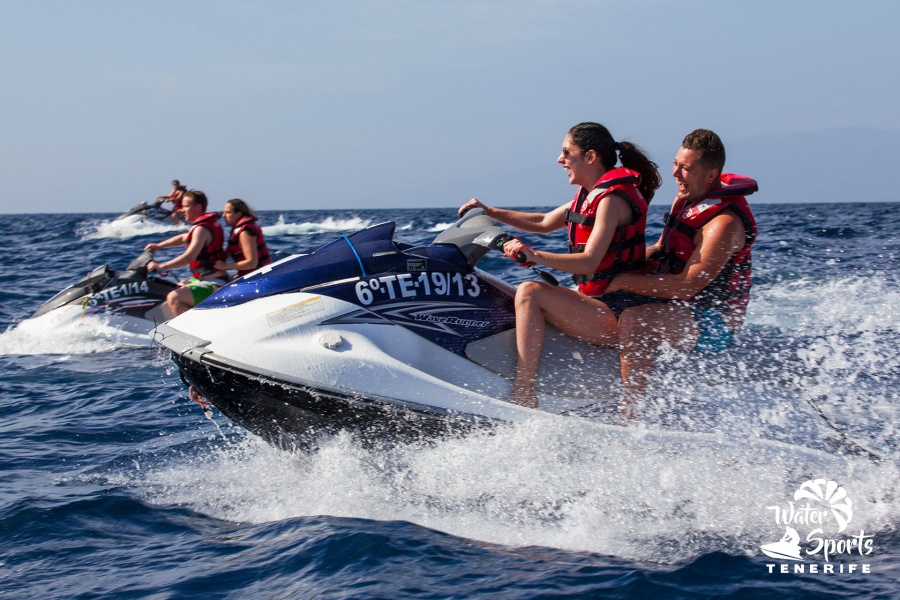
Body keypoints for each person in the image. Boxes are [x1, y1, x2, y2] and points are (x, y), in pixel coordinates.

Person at [458, 122, 661, 408]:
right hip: (598, 301)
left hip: (615, 312)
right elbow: (542, 223)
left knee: (529, 292)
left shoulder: (611, 201)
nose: (559, 159)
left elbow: (590, 259)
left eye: (567, 152)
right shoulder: (588, 196)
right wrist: (490, 212)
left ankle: (524, 392)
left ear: (590, 157)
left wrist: (536, 256)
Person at [605, 129, 758, 410]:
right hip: (673, 305)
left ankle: (630, 414)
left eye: (685, 168)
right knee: (599, 292)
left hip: (713, 323)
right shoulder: (687, 200)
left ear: (711, 175)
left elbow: (686, 286)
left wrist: (621, 281)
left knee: (635, 320)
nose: (675, 173)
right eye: (676, 163)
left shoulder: (722, 224)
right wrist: (609, 265)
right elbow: (661, 247)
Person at [144, 190, 227, 316]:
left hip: (213, 283)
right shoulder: (202, 227)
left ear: (198, 207)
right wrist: (158, 246)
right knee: (173, 286)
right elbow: (183, 238)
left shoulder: (201, 229)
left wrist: (161, 266)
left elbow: (189, 257)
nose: (182, 210)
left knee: (174, 297)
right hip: (204, 279)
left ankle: (191, 333)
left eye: (186, 206)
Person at [214, 199, 272, 279]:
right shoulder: (235, 231)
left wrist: (225, 266)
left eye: (228, 212)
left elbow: (252, 263)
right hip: (249, 275)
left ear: (238, 214)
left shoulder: (244, 233)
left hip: (259, 278)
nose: (223, 215)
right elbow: (225, 255)